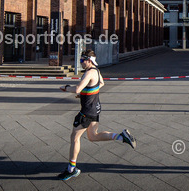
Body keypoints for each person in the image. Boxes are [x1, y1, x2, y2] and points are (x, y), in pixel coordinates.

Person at [57, 50, 136, 180]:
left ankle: (71, 169)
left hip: (87, 111)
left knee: (74, 138)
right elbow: (101, 84)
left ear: (89, 60)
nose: (81, 63)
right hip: (95, 108)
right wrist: (85, 93)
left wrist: (66, 87)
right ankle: (121, 137)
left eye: (82, 60)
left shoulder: (89, 73)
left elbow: (77, 88)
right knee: (93, 136)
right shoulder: (97, 71)